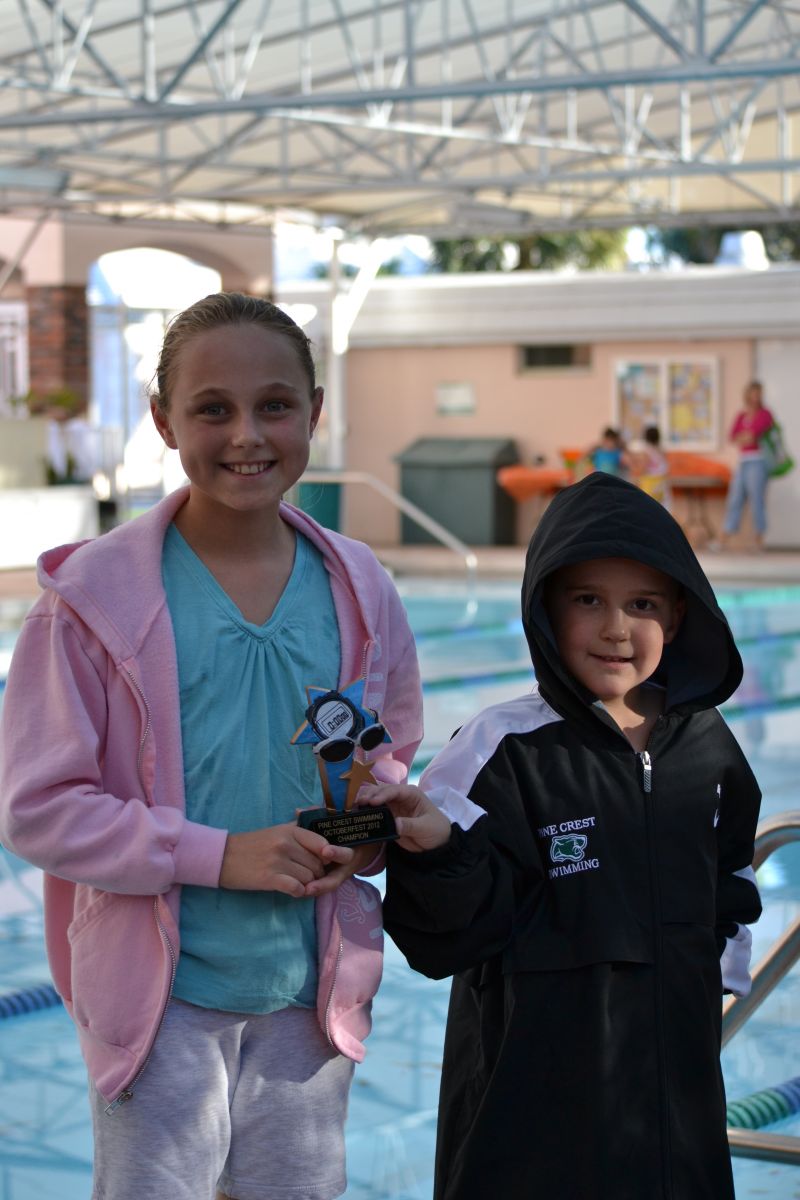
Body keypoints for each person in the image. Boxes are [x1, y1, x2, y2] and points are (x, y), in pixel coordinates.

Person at [0, 292, 423, 1200]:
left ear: (314, 411)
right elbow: (38, 809)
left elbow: (384, 752)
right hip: (161, 1003)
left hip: (310, 993)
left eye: (275, 405)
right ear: (164, 420)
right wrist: (218, 855)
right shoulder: (90, 604)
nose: (247, 435)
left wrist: (377, 819)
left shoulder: (360, 588)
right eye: (213, 409)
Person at [359, 471, 762, 1200]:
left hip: (675, 1096)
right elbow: (445, 938)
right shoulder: (501, 749)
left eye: (642, 604)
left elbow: (730, 870)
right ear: (546, 609)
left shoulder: (708, 747)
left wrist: (717, 977)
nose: (616, 628)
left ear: (677, 617)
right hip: (531, 1108)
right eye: (588, 600)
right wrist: (441, 852)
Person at [719, 379, 775, 551]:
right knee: (735, 499)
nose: (756, 397)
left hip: (758, 461)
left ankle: (759, 540)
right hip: (743, 461)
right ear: (748, 395)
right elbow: (732, 437)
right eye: (753, 393)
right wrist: (746, 436)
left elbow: (753, 435)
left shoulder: (765, 414)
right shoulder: (741, 415)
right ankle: (724, 539)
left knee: (757, 500)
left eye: (759, 393)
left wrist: (744, 436)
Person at [623, 423, 670, 507]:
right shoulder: (661, 450)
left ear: (646, 437)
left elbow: (641, 469)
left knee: (649, 508)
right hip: (661, 484)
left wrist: (631, 466)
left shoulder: (647, 451)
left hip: (650, 485)